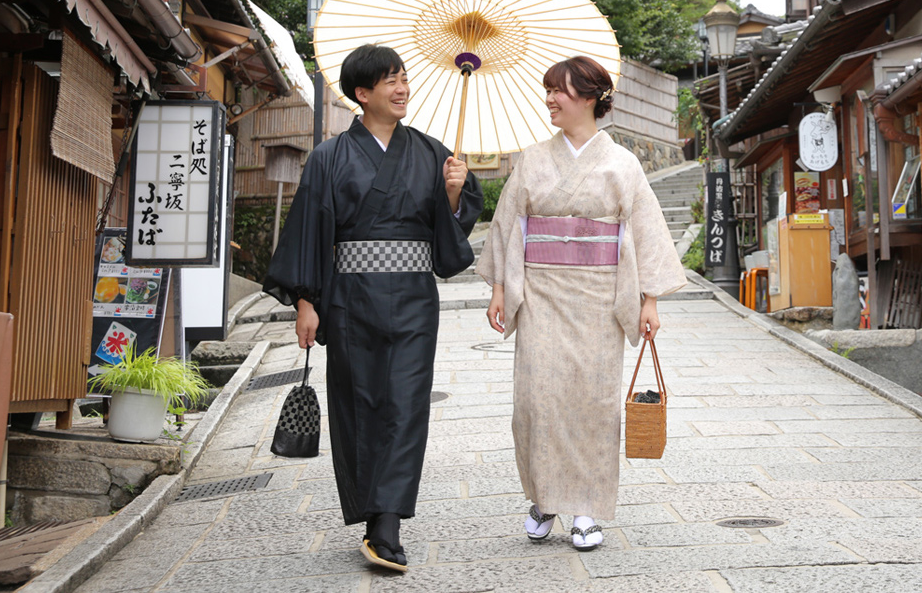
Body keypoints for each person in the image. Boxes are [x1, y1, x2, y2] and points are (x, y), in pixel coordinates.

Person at [262, 44, 482, 572]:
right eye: (389, 81)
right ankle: (371, 514)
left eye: (404, 77)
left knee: (407, 406)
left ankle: (388, 524)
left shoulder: (434, 154)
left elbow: (447, 243)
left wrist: (454, 195)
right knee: (359, 404)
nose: (402, 87)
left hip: (412, 298)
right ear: (362, 94)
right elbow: (312, 231)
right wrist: (306, 303)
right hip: (350, 300)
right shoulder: (329, 158)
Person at [478, 56, 686, 551]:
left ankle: (587, 509)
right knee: (536, 401)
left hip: (598, 297)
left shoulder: (622, 163)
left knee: (592, 403)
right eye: (547, 90)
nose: (550, 99)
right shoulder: (531, 159)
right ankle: (544, 498)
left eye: (560, 91)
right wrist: (500, 289)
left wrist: (649, 299)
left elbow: (645, 231)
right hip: (542, 293)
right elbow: (508, 224)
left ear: (590, 97)